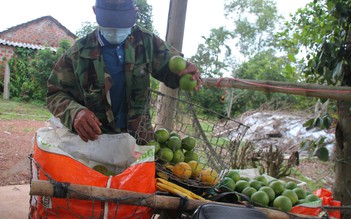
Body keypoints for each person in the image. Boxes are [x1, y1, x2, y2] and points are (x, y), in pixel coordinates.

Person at [46, 0, 201, 143]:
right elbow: (55, 94)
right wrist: (75, 113)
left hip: (139, 142)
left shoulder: (146, 41)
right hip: (96, 143)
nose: (116, 29)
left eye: (122, 22)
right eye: (109, 21)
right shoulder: (78, 53)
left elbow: (171, 68)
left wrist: (186, 72)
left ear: (134, 11)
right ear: (95, 11)